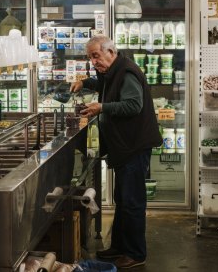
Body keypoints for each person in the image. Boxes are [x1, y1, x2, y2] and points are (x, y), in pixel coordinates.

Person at [70, 35, 161, 269]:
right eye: (90, 57)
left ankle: (136, 253)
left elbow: (133, 105)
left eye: (96, 56)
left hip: (134, 146)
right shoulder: (113, 71)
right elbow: (104, 84)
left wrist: (101, 107)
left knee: (132, 202)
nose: (93, 61)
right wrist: (85, 83)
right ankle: (120, 247)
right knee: (122, 199)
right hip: (124, 146)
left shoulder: (128, 72)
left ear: (111, 52)